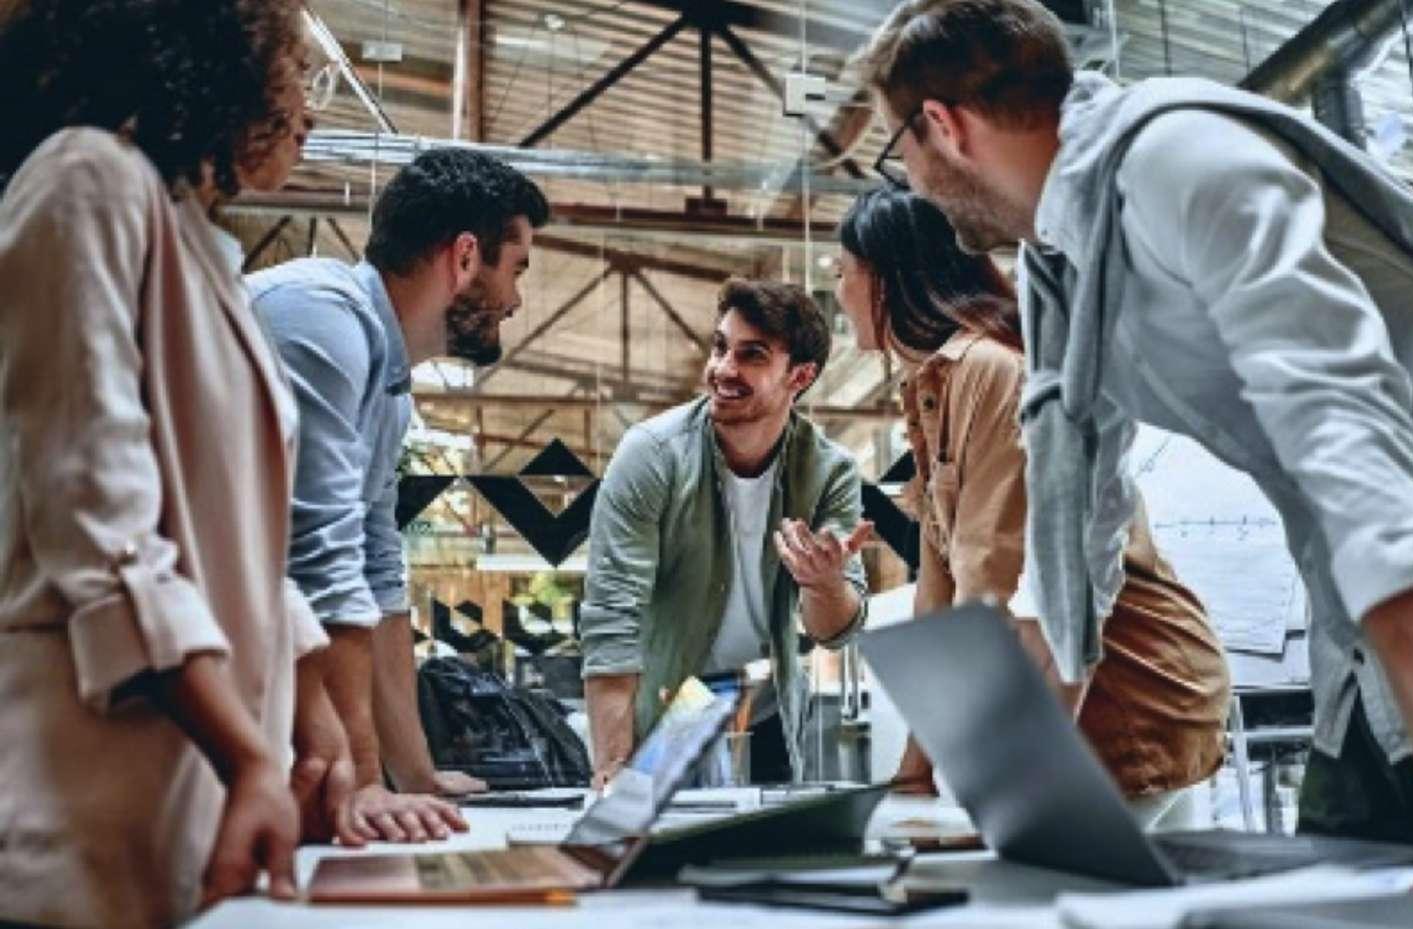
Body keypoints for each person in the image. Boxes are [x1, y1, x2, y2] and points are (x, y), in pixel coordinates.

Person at [856, 0, 1413, 876]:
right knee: (1325, 895)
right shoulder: (1061, 267)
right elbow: (1072, 522)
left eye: (900, 152)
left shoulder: (1181, 158)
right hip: (1368, 630)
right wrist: (1030, 797)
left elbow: (1347, 430)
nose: (913, 185)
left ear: (943, 126)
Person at [0, 1, 354, 924]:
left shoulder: (189, 236)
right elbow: (99, 521)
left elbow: (229, 533)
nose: (311, 107)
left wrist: (309, 720)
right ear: (213, 53)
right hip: (82, 804)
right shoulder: (86, 179)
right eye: (296, 68)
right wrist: (249, 756)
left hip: (182, 801)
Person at [834, 186, 1230, 824]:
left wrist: (976, 776)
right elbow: (938, 593)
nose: (837, 293)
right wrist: (913, 771)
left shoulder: (987, 370)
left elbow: (986, 585)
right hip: (1100, 702)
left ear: (883, 278)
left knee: (1038, 884)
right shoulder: (932, 387)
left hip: (1129, 697)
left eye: (842, 273)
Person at [248, 148, 550, 840]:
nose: (515, 300)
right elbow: (320, 558)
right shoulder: (319, 316)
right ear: (466, 257)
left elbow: (376, 571)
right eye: (517, 268)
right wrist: (362, 781)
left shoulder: (388, 390)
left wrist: (413, 774)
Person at [582, 279, 871, 787]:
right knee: (660, 835)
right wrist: (612, 766)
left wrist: (825, 585)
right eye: (720, 347)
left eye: (751, 355)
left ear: (800, 376)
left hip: (768, 709)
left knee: (770, 837)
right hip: (669, 710)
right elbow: (612, 617)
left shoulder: (830, 472)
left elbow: (835, 629)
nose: (723, 369)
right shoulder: (652, 454)